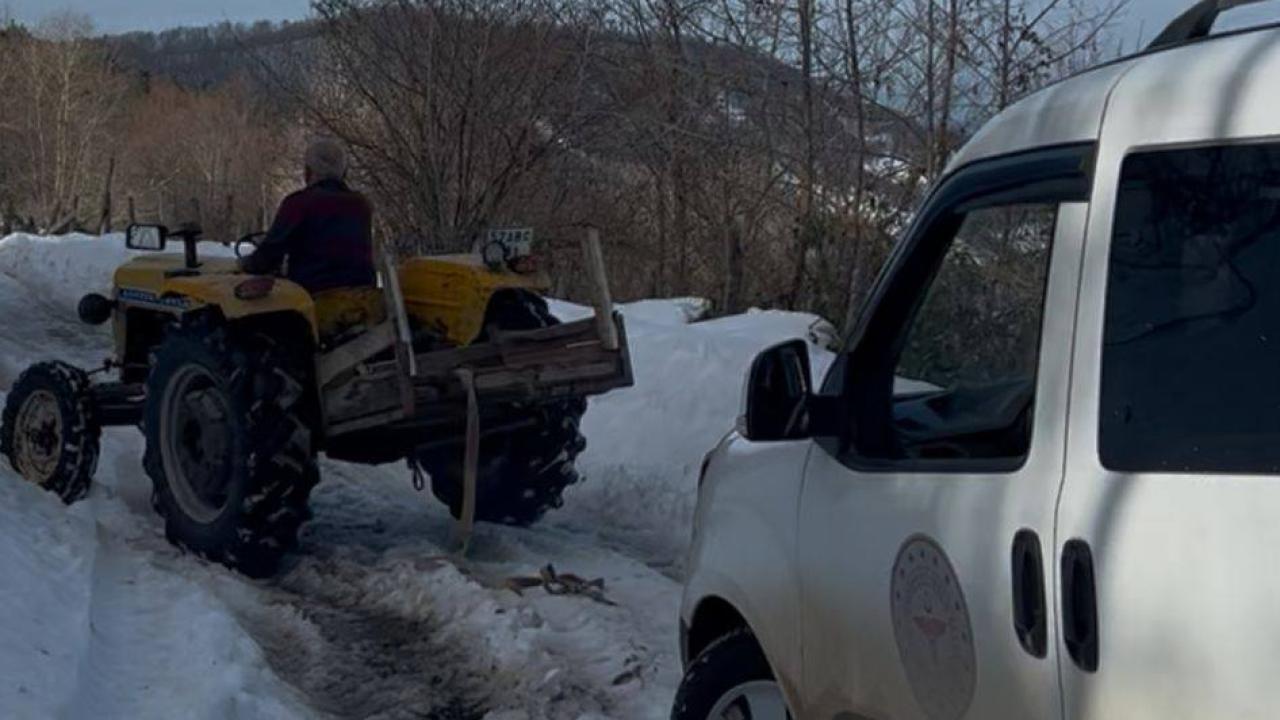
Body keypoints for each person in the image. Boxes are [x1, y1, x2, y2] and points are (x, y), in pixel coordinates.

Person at [239, 139, 376, 293]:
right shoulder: (361, 205)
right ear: (344, 172)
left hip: (312, 298)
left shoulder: (299, 203)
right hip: (362, 298)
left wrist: (246, 265)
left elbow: (270, 253)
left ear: (308, 171)